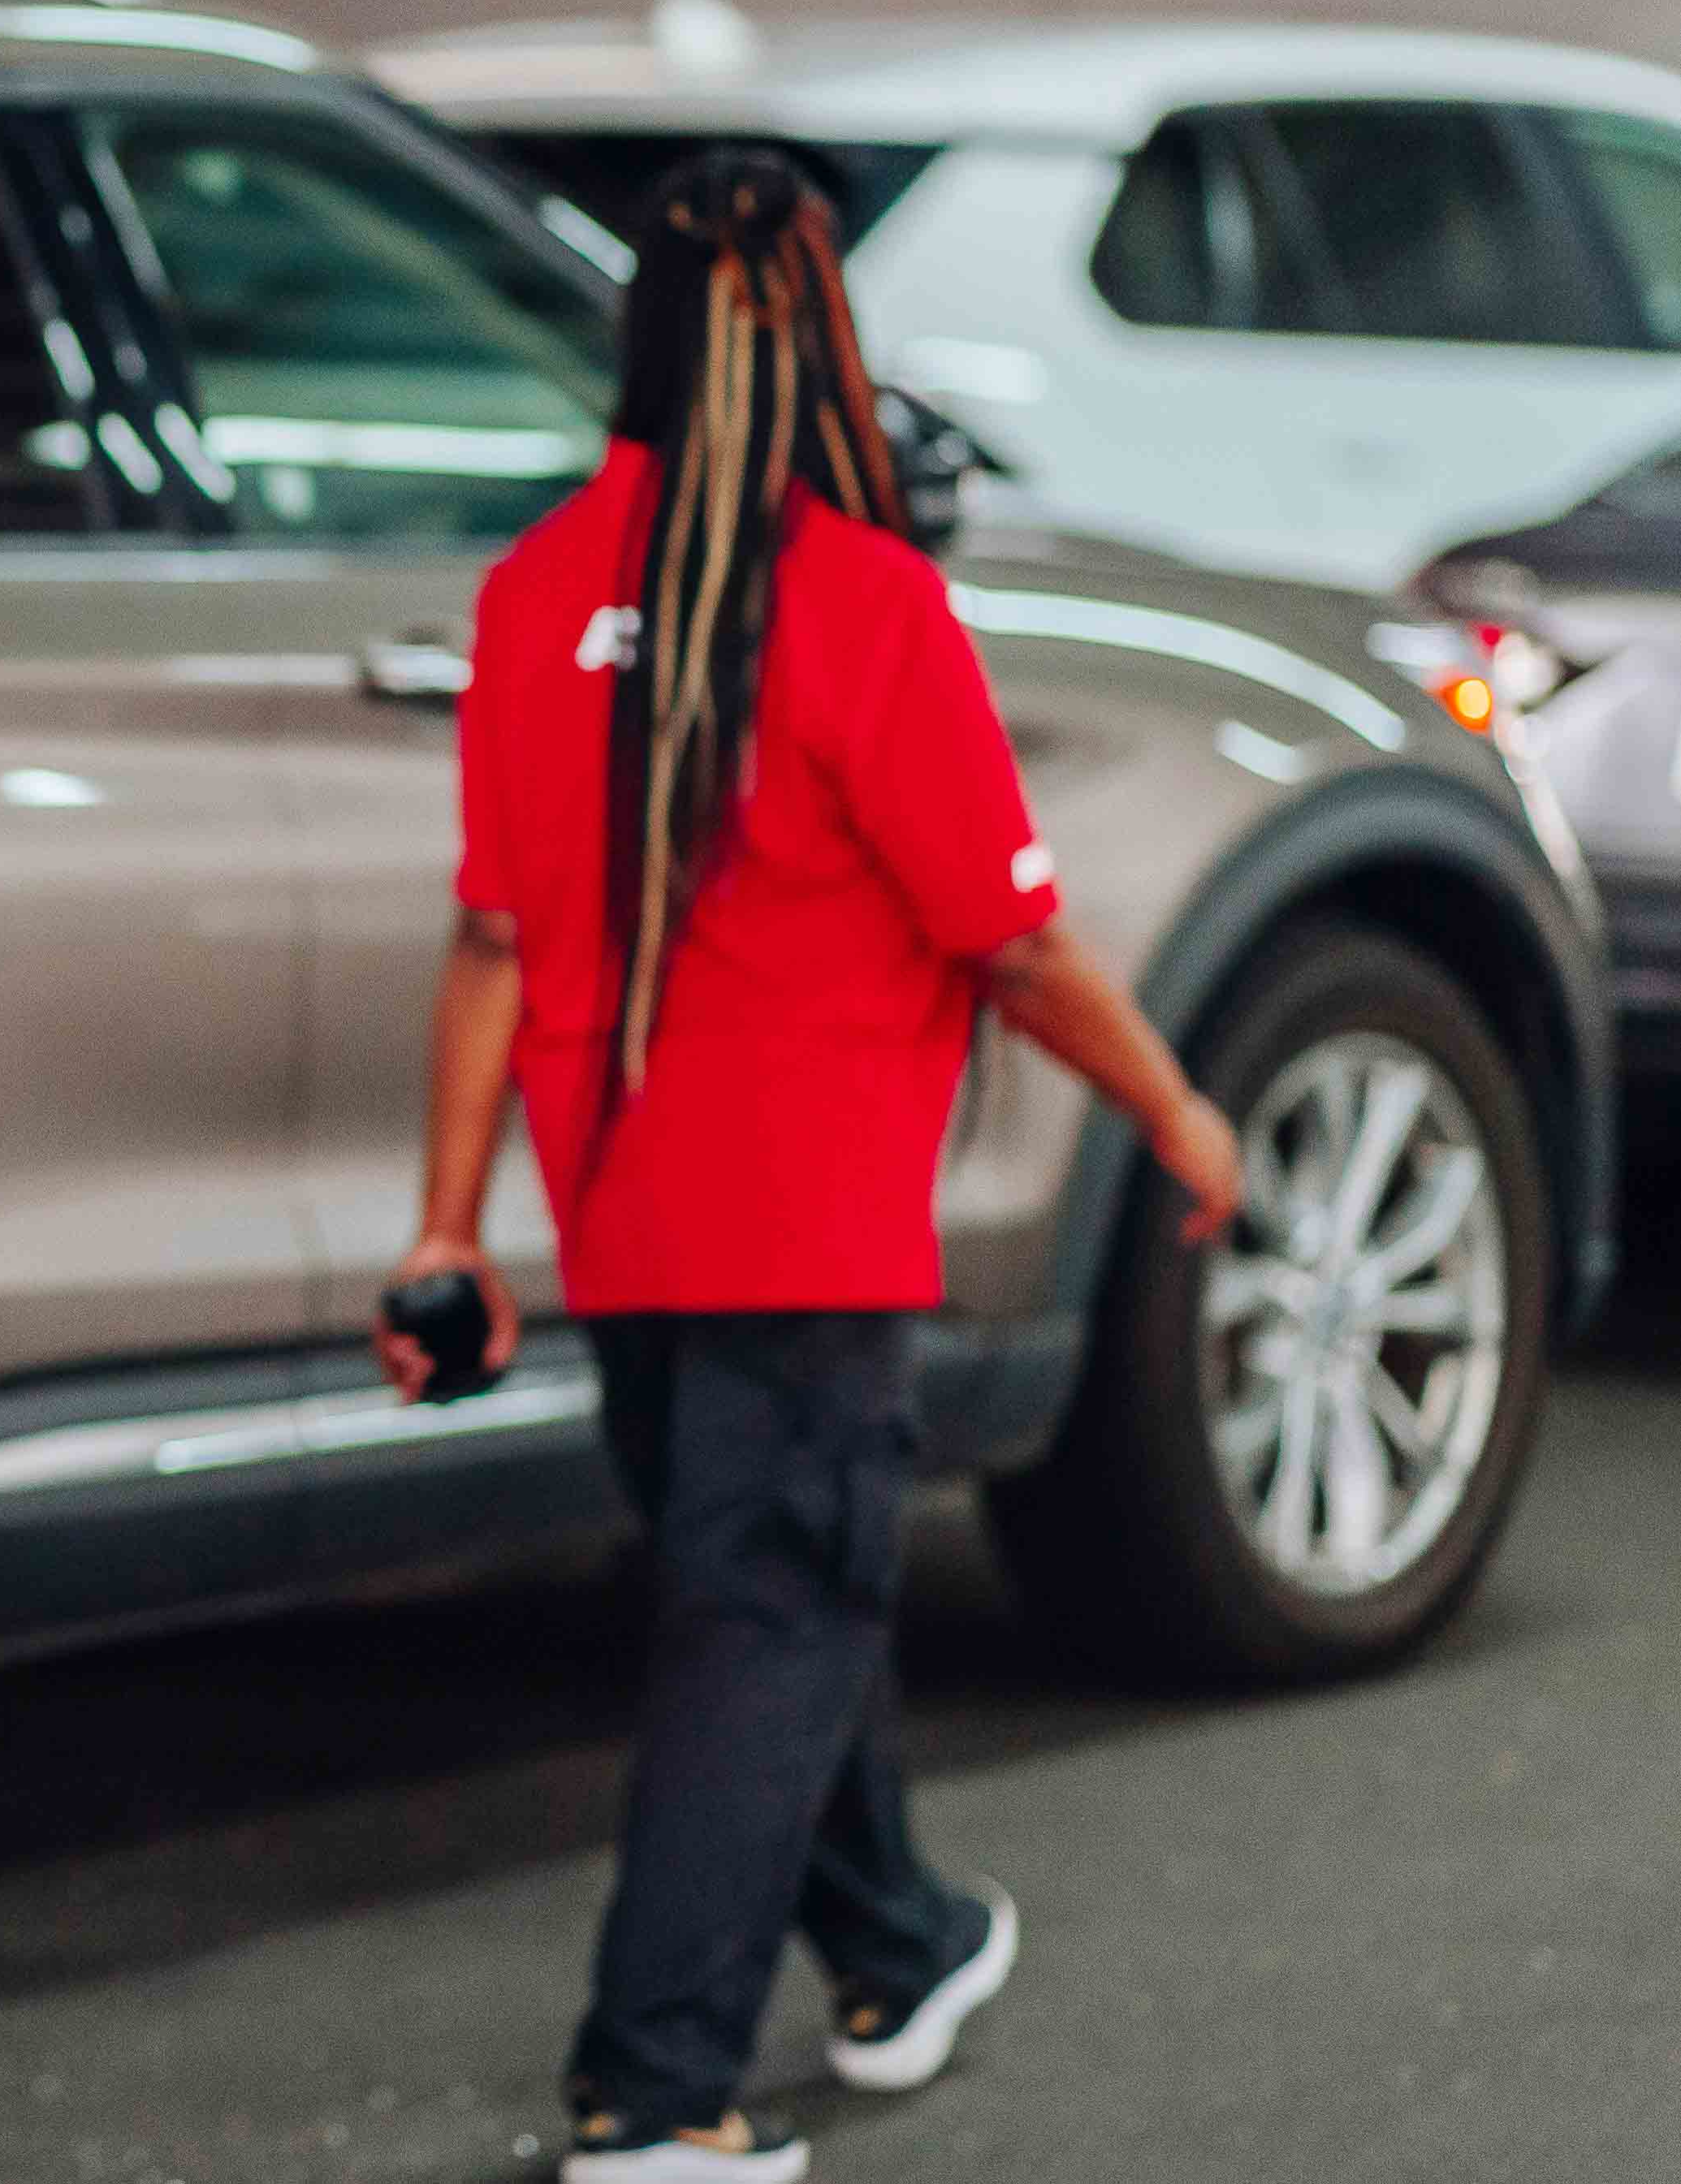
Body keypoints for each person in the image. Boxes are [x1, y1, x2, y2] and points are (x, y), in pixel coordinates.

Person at [382, 149, 1243, 2184]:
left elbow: (492, 939)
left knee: (765, 1597)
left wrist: (447, 1223)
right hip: (808, 1226)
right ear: (822, 348)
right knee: (779, 1612)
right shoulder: (863, 607)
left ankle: (901, 1947)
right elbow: (1013, 937)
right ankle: (654, 2096)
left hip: (628, 1223)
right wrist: (1178, 1110)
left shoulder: (529, 598)